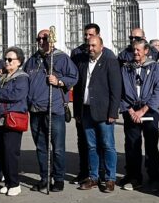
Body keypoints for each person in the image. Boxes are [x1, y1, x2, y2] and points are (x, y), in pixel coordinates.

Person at [24, 30, 78, 192]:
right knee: (41, 147)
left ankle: (59, 178)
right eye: (38, 38)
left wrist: (59, 81)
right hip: (35, 110)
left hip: (53, 109)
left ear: (52, 40)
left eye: (45, 38)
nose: (41, 41)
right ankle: (44, 178)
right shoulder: (33, 60)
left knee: (58, 148)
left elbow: (74, 77)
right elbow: (24, 78)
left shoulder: (61, 58)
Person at [73, 36, 122, 193]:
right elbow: (78, 89)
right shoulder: (82, 62)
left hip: (104, 112)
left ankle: (110, 178)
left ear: (101, 46)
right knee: (91, 146)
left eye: (94, 45)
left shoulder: (110, 62)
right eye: (89, 46)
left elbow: (116, 89)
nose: (91, 48)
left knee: (108, 145)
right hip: (86, 111)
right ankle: (93, 177)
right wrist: (77, 112)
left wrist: (113, 112)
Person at [118, 39, 159, 191]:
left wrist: (143, 110)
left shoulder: (155, 67)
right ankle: (134, 177)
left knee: (151, 145)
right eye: (134, 50)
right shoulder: (126, 68)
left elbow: (158, 92)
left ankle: (154, 177)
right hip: (131, 111)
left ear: (146, 51)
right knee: (132, 144)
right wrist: (130, 110)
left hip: (149, 110)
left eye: (138, 50)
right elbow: (121, 91)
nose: (135, 52)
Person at [0, 46, 30, 196]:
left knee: (10, 152)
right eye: (5, 59)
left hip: (13, 119)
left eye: (10, 59)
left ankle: (15, 183)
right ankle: (8, 182)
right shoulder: (2, 77)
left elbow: (14, 96)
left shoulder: (22, 78)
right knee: (0, 152)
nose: (6, 62)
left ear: (18, 62)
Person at [70, 22, 100, 183]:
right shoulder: (77, 53)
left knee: (100, 140)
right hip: (81, 103)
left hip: (98, 105)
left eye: (91, 35)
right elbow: (73, 78)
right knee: (82, 139)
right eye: (85, 35)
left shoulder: (105, 53)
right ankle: (83, 171)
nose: (87, 37)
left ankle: (99, 172)